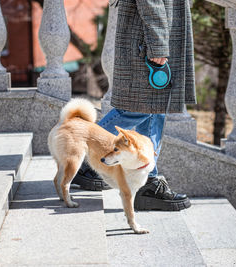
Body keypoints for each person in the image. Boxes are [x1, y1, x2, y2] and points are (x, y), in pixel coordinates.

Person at [73, 0, 196, 211]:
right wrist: (157, 42)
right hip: (148, 37)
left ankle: (148, 182)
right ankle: (85, 157)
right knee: (136, 109)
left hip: (156, 32)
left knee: (153, 109)